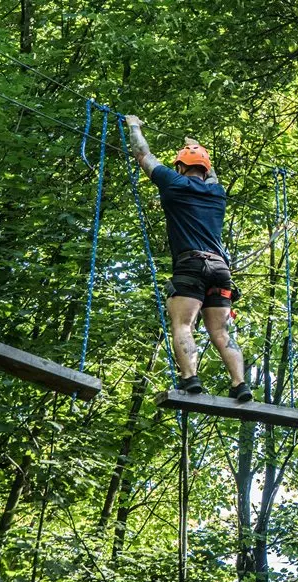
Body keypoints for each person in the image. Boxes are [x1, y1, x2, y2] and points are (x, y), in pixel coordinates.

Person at [123, 115, 252, 402]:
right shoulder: (217, 192)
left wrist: (134, 126)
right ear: (206, 172)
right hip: (221, 270)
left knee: (183, 324)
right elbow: (212, 174)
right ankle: (240, 383)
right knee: (220, 330)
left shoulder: (173, 183)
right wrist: (199, 148)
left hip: (191, 264)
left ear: (180, 167)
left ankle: (190, 378)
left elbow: (143, 154)